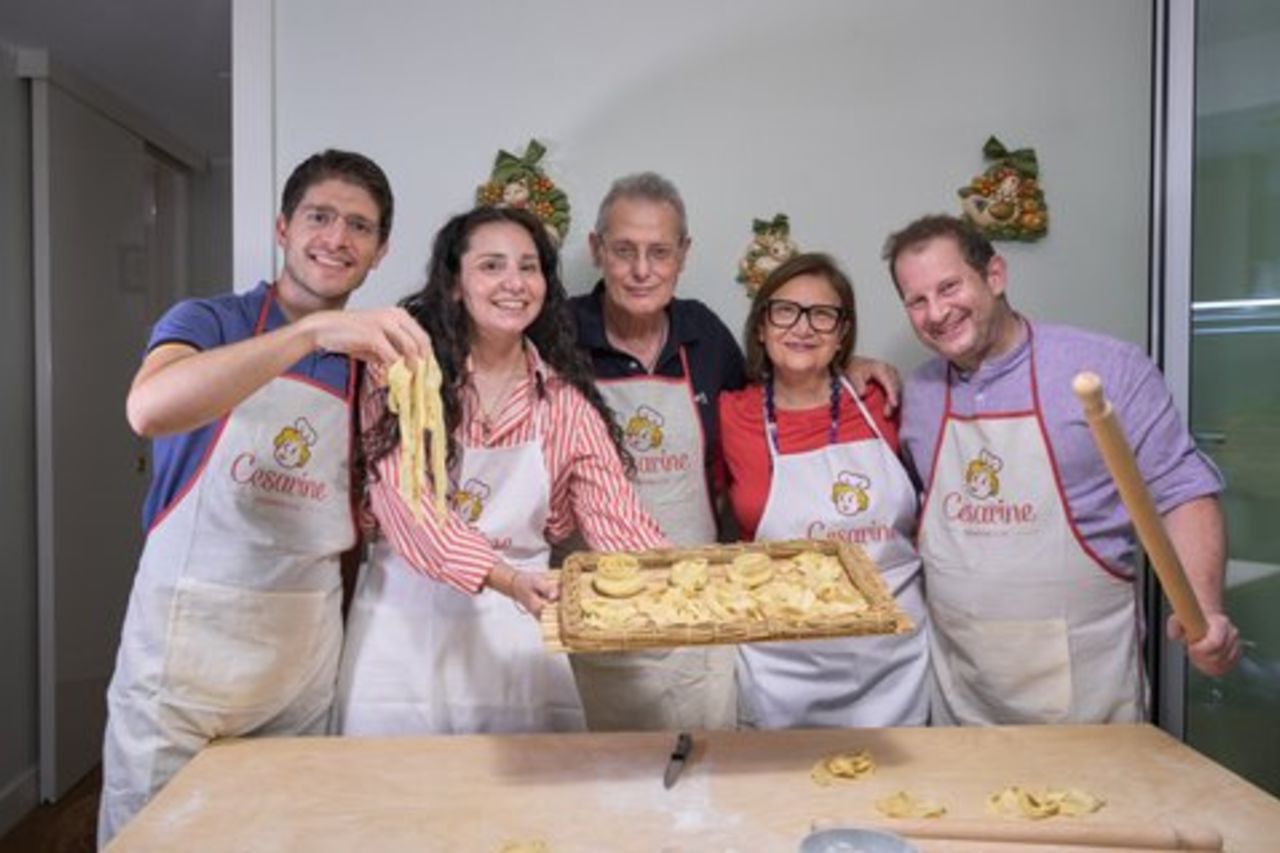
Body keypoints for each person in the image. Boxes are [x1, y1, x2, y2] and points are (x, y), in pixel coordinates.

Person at [99, 149, 430, 843]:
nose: (336, 238)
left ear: (380, 250)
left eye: (359, 227)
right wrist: (309, 333)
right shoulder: (208, 321)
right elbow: (150, 407)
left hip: (298, 662)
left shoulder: (374, 366)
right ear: (282, 227)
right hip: (183, 658)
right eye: (319, 217)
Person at [567, 173, 904, 732]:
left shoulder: (705, 334)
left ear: (684, 255)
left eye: (659, 252)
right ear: (596, 250)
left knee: (706, 775)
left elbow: (785, 383)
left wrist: (848, 365)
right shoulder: (559, 335)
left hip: (702, 605)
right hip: (602, 605)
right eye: (624, 251)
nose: (641, 270)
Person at [882, 213, 1241, 726]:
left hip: (1085, 687)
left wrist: (1203, 612)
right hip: (960, 688)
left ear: (996, 276)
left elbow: (1182, 490)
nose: (936, 312)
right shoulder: (916, 395)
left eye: (949, 287)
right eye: (917, 301)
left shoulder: (1106, 369)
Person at [333, 206, 666, 735]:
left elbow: (621, 527)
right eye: (491, 266)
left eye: (528, 267)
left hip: (517, 633)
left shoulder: (562, 403)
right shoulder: (400, 377)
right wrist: (507, 579)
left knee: (526, 812)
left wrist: (686, 585)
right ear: (456, 285)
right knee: (397, 804)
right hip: (407, 627)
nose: (514, 282)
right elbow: (409, 510)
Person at [719, 253, 929, 728]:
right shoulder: (732, 413)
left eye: (823, 315)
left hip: (893, 665)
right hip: (784, 667)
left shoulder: (885, 400)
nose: (803, 327)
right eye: (785, 311)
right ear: (760, 327)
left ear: (841, 334)